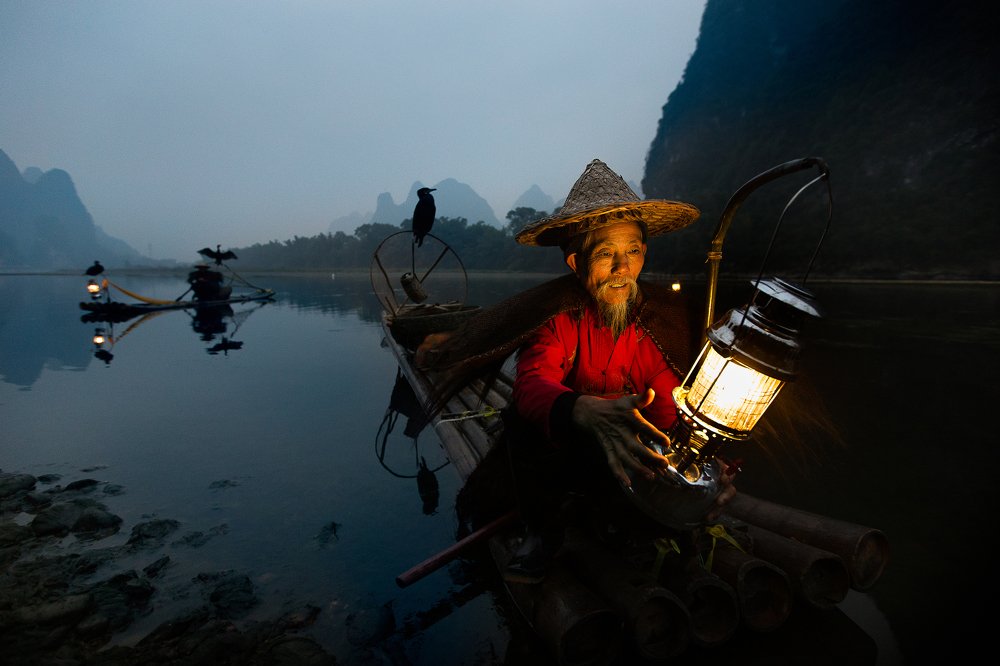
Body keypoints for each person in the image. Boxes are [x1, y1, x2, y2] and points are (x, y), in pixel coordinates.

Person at [417, 158, 736, 583]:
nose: (623, 269)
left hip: (625, 455)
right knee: (522, 422)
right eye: (606, 254)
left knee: (676, 465)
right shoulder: (556, 318)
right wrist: (580, 409)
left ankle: (634, 522)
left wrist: (703, 459)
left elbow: (669, 394)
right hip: (563, 452)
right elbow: (532, 382)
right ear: (575, 262)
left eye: (633, 252)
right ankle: (542, 531)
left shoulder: (655, 322)